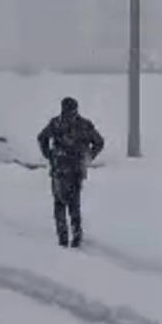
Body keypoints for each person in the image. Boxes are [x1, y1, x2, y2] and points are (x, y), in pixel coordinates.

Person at [37, 97, 105, 248]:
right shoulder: (61, 123)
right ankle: (69, 237)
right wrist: (49, 155)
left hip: (70, 171)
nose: (69, 114)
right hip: (64, 170)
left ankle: (71, 238)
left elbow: (99, 142)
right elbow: (42, 138)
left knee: (65, 204)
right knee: (66, 204)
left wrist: (87, 158)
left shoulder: (76, 124)